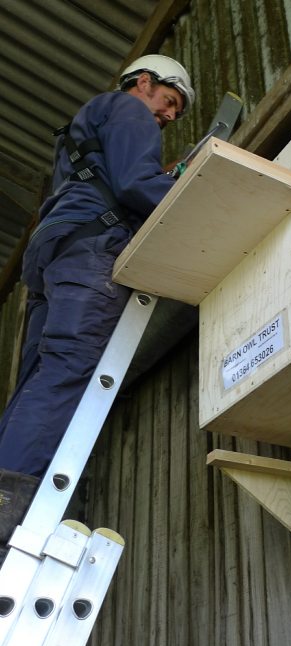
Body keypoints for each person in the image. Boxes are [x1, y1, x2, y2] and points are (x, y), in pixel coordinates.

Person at [0, 54, 194, 495]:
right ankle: (5, 500)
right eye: (168, 100)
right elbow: (134, 185)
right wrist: (191, 189)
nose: (168, 115)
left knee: (39, 378)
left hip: (53, 251)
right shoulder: (128, 110)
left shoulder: (89, 121)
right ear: (143, 82)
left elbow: (110, 180)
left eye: (175, 112)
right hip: (89, 248)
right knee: (68, 370)